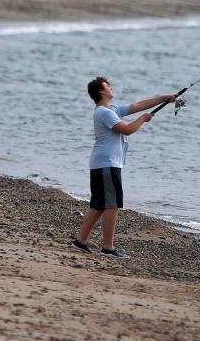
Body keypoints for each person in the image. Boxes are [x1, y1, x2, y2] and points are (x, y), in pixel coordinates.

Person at [73, 76, 174, 258]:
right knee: (111, 206)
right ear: (101, 91)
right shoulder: (104, 113)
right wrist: (143, 119)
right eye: (108, 86)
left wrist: (165, 98)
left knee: (98, 206)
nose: (111, 87)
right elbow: (126, 129)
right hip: (106, 164)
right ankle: (108, 248)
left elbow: (138, 105)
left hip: (102, 164)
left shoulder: (111, 109)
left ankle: (80, 241)